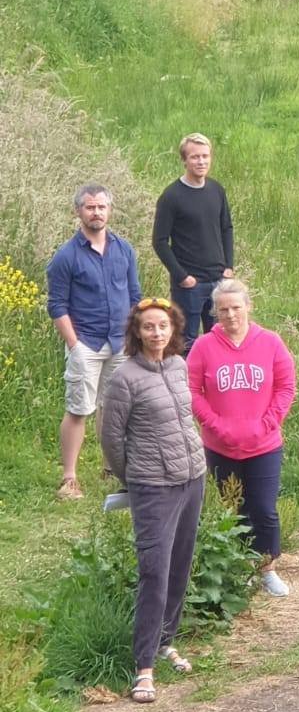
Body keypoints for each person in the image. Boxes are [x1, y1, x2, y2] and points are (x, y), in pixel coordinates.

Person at [99, 298, 206, 705]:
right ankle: (143, 667)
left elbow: (185, 417)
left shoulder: (179, 366)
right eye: (148, 327)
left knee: (180, 565)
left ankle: (166, 643)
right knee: (154, 572)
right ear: (137, 332)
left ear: (172, 329)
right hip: (152, 487)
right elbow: (111, 437)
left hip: (192, 478)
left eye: (162, 326)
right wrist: (134, 477)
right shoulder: (124, 377)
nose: (156, 333)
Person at [186, 280, 297, 597]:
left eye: (236, 307)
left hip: (264, 444)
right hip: (220, 445)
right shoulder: (204, 346)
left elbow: (285, 386)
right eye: (223, 309)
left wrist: (268, 422)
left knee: (263, 508)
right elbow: (192, 391)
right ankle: (238, 567)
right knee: (232, 509)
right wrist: (213, 424)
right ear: (215, 313)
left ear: (248, 307)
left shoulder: (271, 342)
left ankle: (267, 569)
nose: (231, 315)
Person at [47, 184, 142, 501]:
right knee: (79, 409)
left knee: (113, 409)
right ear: (79, 211)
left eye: (101, 207)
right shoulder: (66, 256)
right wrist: (74, 345)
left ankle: (112, 467)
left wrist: (133, 337)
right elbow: (57, 306)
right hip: (85, 342)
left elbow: (134, 297)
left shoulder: (124, 250)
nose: (96, 212)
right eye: (90, 207)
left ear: (109, 210)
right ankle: (69, 478)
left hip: (119, 342)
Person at [152, 134, 235, 350]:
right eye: (195, 157)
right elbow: (159, 241)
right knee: (186, 342)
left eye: (205, 156)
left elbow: (226, 228)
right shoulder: (171, 196)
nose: (201, 162)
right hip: (190, 285)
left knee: (220, 339)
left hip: (218, 279)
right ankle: (186, 384)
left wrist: (229, 266)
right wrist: (182, 276)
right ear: (184, 160)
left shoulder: (216, 190)